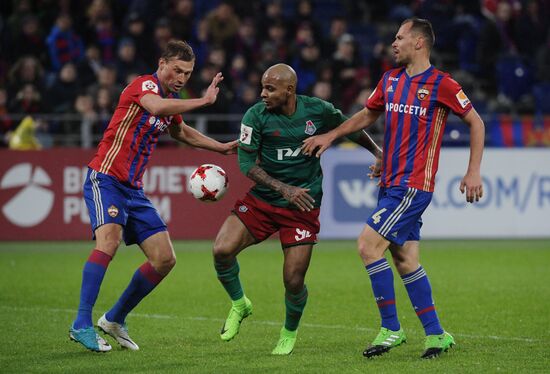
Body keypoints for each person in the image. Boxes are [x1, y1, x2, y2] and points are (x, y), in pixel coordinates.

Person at [302, 17, 485, 359]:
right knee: (405, 259)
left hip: (413, 186)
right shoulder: (390, 80)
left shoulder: (442, 84)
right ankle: (436, 334)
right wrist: (333, 136)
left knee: (368, 247)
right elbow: (367, 115)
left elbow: (476, 121)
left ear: (419, 43)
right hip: (390, 183)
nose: (393, 43)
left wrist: (473, 171)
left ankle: (391, 329)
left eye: (400, 37)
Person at [70, 40, 238, 352]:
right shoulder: (145, 85)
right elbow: (157, 107)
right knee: (108, 241)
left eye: (187, 73)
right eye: (176, 70)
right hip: (106, 179)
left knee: (164, 259)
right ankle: (81, 323)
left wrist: (222, 147)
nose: (181, 77)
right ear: (161, 64)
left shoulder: (171, 101)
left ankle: (114, 319)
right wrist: (203, 100)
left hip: (133, 190)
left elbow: (182, 132)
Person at [212, 63, 381, 355]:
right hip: (264, 201)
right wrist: (283, 189)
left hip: (302, 206)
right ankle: (240, 303)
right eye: (263, 87)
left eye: (270, 88)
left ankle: (289, 332)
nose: (262, 93)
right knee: (221, 250)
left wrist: (378, 153)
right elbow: (245, 163)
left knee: (293, 279)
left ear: (289, 90)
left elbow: (349, 127)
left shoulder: (317, 110)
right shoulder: (255, 116)